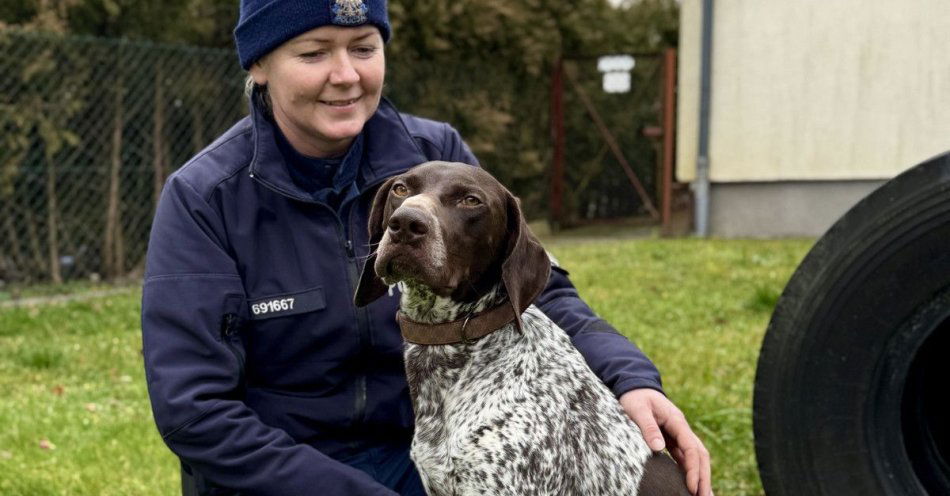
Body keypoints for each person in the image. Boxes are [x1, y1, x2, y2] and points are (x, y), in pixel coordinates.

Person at [140, 1, 712, 495]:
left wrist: (630, 377)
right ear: (260, 65)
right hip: (285, 473)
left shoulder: (435, 154)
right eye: (314, 53)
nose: (345, 75)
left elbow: (535, 287)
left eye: (363, 48)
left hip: (419, 453)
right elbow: (195, 412)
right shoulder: (204, 199)